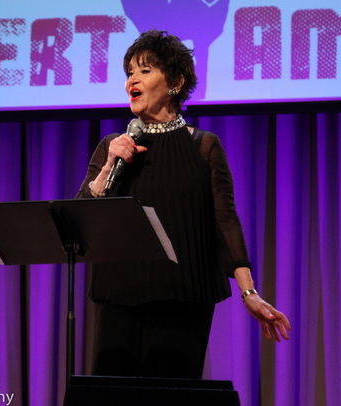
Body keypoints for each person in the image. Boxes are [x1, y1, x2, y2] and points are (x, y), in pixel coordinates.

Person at [76, 30, 291, 379]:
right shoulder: (113, 146)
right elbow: (81, 219)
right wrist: (105, 170)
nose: (133, 78)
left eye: (145, 70)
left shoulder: (204, 146)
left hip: (182, 295)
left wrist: (248, 291)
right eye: (130, 71)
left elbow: (225, 219)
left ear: (175, 82)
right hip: (119, 292)